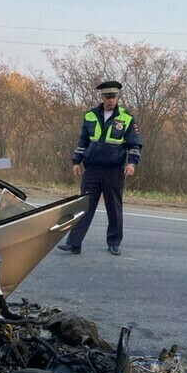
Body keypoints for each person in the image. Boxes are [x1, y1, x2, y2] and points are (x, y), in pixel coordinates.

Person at [58, 80, 142, 256]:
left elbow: (135, 144)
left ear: (118, 97)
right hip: (93, 170)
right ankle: (74, 243)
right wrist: (76, 161)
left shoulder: (126, 118)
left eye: (114, 97)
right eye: (108, 97)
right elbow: (83, 141)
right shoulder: (90, 115)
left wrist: (132, 163)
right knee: (84, 206)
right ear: (102, 97)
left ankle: (114, 243)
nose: (111, 100)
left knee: (114, 208)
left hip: (113, 170)